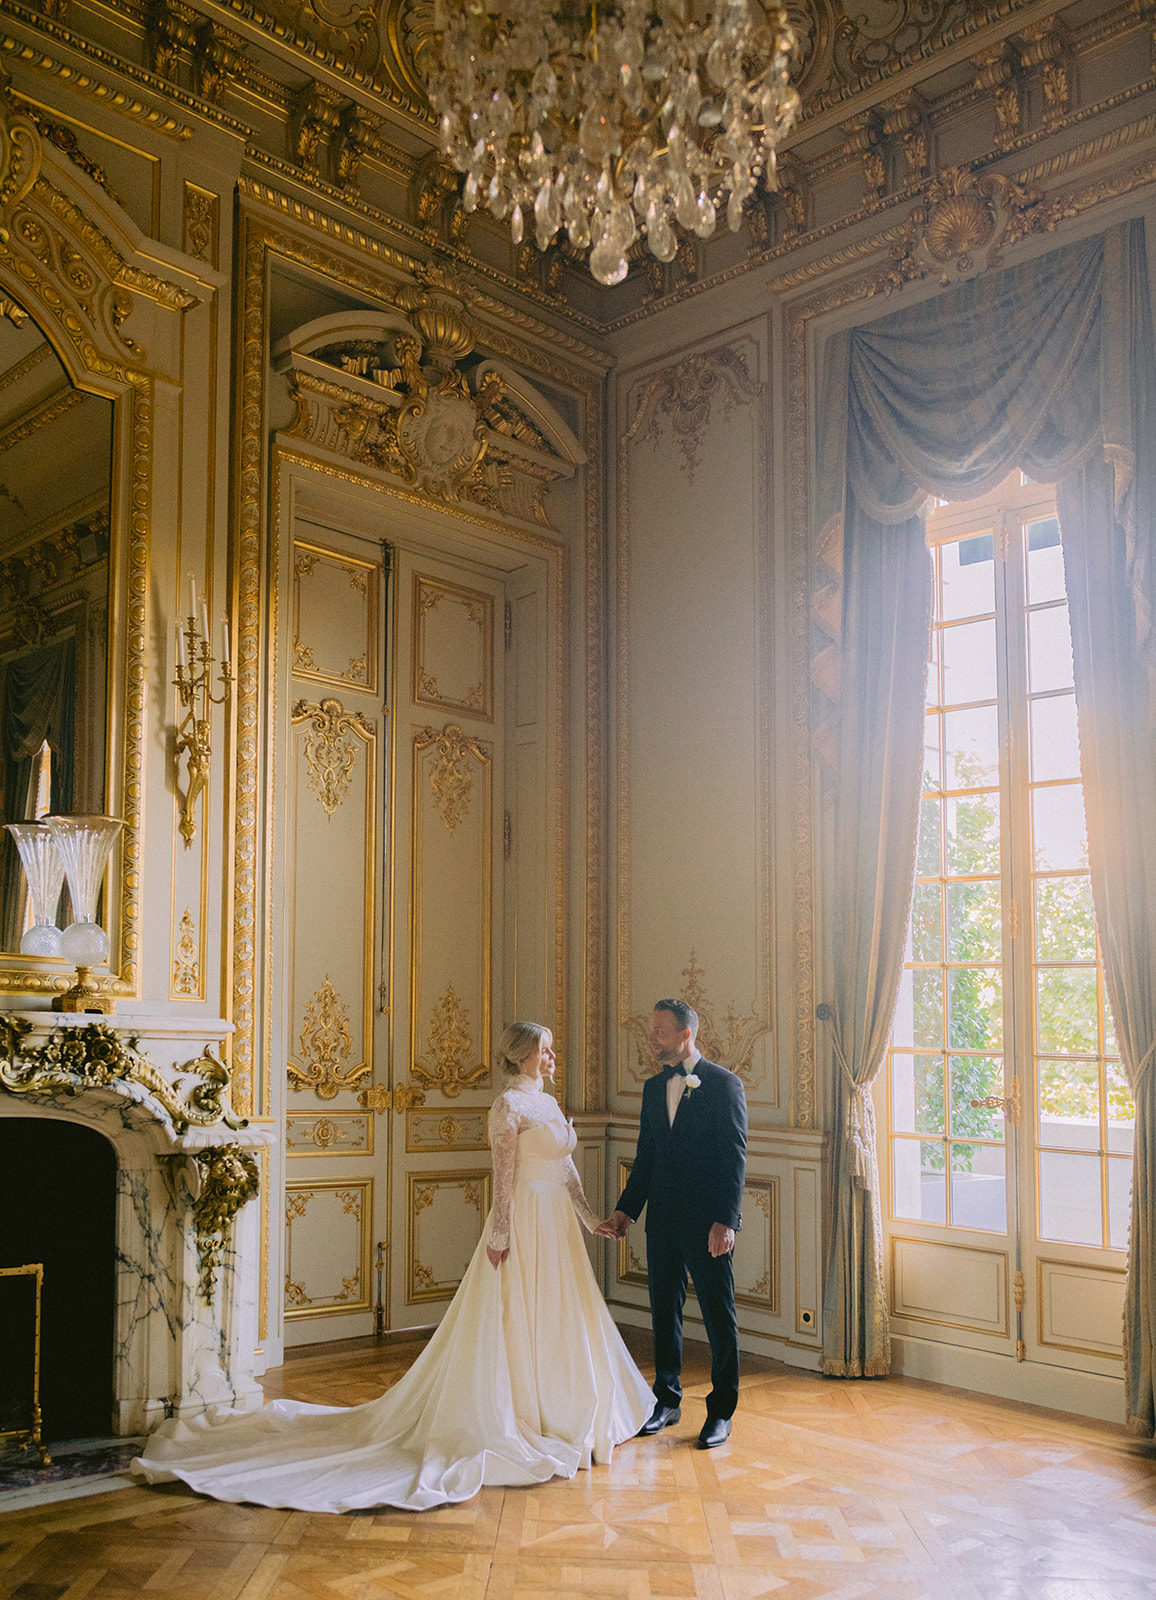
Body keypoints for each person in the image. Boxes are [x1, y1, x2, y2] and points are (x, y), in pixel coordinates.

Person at [132, 1023, 652, 1512]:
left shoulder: (548, 1101)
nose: (552, 1056)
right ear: (521, 1055)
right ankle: (516, 1411)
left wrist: (590, 1221)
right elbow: (504, 1177)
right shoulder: (508, 1104)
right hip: (523, 1226)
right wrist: (498, 1234)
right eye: (545, 1049)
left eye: (552, 1048)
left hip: (557, 1224)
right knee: (516, 1316)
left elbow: (565, 1167)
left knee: (559, 1315)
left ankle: (560, 1407)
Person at [598, 999, 747, 1449]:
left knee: (719, 1317)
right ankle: (666, 1399)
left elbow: (733, 1159)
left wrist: (726, 1221)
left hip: (708, 1224)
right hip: (660, 1219)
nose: (652, 1037)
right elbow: (647, 1159)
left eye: (660, 1030)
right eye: (651, 1029)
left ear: (686, 1034)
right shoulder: (650, 1088)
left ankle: (721, 1411)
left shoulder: (724, 1085)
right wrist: (626, 1211)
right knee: (664, 1312)